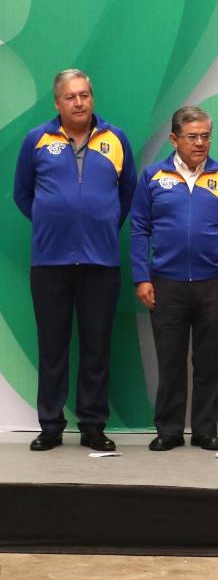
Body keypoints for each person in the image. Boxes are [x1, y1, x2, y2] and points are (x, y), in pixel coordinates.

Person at [12, 68, 135, 452]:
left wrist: (98, 225)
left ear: (92, 98)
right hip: (50, 262)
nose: (79, 102)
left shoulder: (115, 140)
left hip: (101, 262)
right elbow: (22, 194)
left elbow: (126, 193)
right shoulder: (37, 140)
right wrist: (55, 223)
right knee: (52, 346)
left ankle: (93, 425)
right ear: (57, 102)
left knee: (97, 346)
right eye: (71, 97)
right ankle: (50, 424)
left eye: (84, 95)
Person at [129, 106, 218, 452]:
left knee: (212, 362)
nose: (200, 143)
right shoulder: (153, 177)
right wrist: (142, 277)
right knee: (170, 361)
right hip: (166, 283)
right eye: (192, 136)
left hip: (215, 283)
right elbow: (138, 230)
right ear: (174, 139)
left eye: (206, 136)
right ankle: (168, 430)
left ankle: (205, 430)